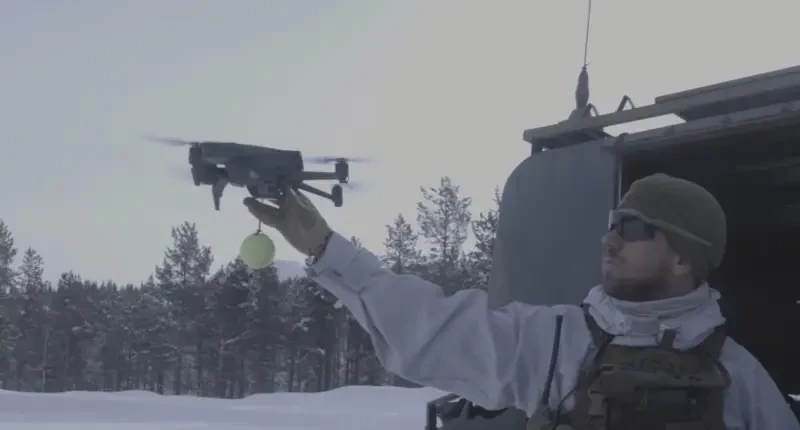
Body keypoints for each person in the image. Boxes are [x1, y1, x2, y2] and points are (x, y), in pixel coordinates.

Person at [243, 173, 800, 429]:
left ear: (683, 258)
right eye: (612, 224)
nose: (608, 240)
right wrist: (324, 248)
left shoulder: (739, 377)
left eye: (632, 228)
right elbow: (431, 328)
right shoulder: (560, 342)